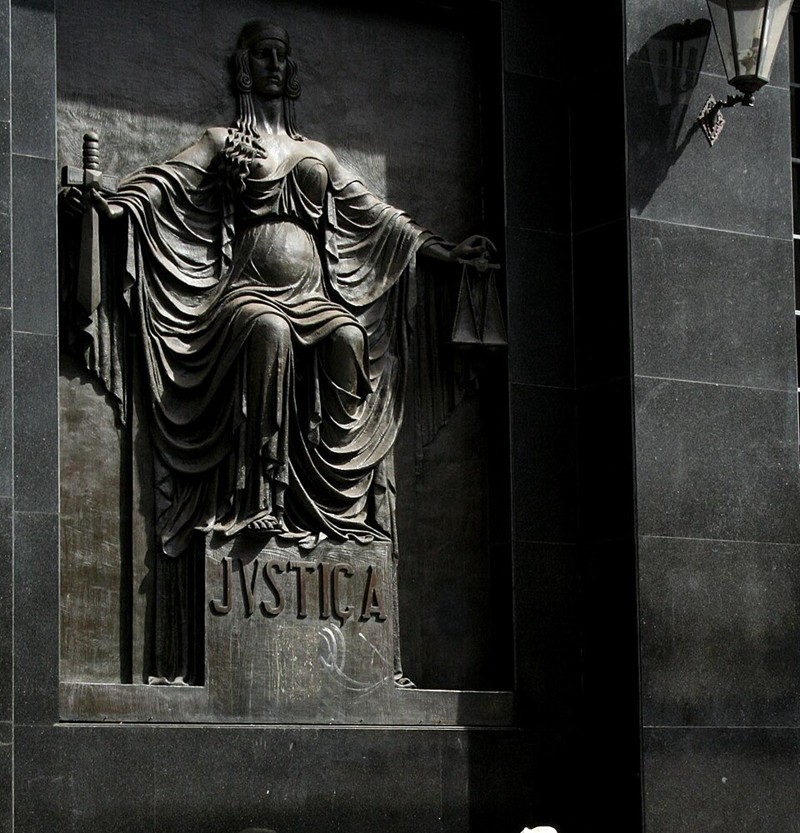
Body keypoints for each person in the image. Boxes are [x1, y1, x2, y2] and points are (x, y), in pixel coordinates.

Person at [68, 19, 494, 683]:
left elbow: (381, 219)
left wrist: (444, 251)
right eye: (263, 55)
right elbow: (159, 188)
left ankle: (329, 505)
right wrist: (107, 203)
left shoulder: (316, 150)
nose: (274, 64)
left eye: (281, 56)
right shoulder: (219, 141)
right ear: (244, 65)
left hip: (314, 294)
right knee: (268, 334)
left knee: (349, 336)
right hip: (246, 294)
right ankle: (259, 494)